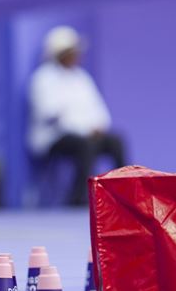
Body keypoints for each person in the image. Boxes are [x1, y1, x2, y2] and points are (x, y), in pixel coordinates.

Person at [27, 26, 127, 205]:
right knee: (86, 145)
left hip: (88, 136)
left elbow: (99, 110)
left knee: (116, 141)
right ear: (59, 54)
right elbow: (51, 115)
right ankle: (77, 198)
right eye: (71, 51)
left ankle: (123, 194)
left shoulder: (82, 77)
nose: (76, 55)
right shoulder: (43, 79)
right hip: (54, 139)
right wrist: (86, 129)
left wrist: (98, 127)